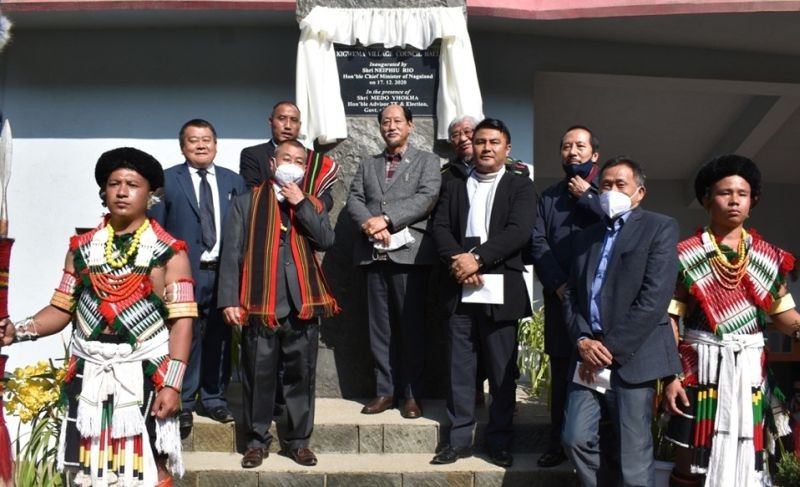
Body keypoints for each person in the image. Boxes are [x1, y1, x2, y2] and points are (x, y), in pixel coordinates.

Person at [0, 147, 195, 486]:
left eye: (132, 184)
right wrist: (19, 330)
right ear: (103, 193)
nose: (122, 191)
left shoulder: (170, 253)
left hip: (146, 370)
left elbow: (182, 322)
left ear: (150, 194)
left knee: (151, 466)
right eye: (113, 183)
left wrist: (173, 385)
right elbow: (61, 309)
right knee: (86, 469)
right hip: (89, 371)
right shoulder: (81, 249)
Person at [662, 154, 800, 487]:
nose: (734, 199)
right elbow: (668, 319)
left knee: (750, 457)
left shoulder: (768, 257)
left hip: (749, 372)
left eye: (743, 193)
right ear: (707, 199)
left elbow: (784, 317)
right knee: (690, 459)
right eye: (725, 192)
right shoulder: (684, 255)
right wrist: (670, 376)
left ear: (753, 202)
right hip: (698, 369)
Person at [218, 139, 339, 469]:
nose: (292, 164)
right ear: (272, 164)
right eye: (286, 158)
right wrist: (229, 299)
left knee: (301, 375)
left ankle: (298, 441)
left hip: (302, 301)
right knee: (258, 374)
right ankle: (256, 441)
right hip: (261, 302)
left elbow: (325, 240)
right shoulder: (246, 202)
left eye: (299, 161)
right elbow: (231, 253)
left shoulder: (312, 203)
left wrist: (301, 205)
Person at [561, 156, 681, 486]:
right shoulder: (586, 237)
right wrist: (584, 341)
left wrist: (608, 349)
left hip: (632, 355)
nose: (610, 191)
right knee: (575, 438)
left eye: (620, 185)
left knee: (634, 449)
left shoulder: (660, 227)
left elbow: (654, 299)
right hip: (588, 356)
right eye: (605, 185)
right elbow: (571, 295)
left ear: (639, 192)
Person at [430, 118, 537, 467]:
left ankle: (499, 441)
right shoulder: (454, 185)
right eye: (480, 142)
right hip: (458, 284)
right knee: (460, 367)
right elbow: (440, 228)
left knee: (501, 368)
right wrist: (460, 262)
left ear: (507, 148)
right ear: (470, 147)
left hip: (499, 284)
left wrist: (477, 259)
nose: (486, 148)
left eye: (494, 142)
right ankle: (458, 439)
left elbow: (519, 231)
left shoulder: (520, 186)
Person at [149, 119, 245, 438]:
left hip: (223, 273)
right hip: (184, 275)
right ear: (183, 147)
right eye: (193, 140)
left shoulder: (234, 181)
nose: (201, 145)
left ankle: (214, 398)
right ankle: (186, 400)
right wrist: (160, 278)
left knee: (219, 335)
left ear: (216, 145)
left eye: (206, 140)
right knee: (185, 335)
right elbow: (158, 232)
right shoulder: (167, 180)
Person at [346, 103, 441, 419]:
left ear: (410, 126)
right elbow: (355, 199)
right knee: (379, 328)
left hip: (409, 257)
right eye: (385, 121)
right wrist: (368, 223)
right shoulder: (368, 163)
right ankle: (384, 391)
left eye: (397, 121)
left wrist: (386, 219)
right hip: (374, 255)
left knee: (411, 327)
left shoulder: (427, 162)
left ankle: (411, 394)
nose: (391, 126)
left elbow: (426, 198)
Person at [529, 125, 604, 467]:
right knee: (561, 371)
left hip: (602, 302)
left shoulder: (609, 191)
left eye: (580, 146)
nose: (572, 151)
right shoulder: (548, 197)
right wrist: (558, 284)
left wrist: (589, 196)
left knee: (604, 372)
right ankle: (558, 442)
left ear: (594, 154)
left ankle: (602, 443)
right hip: (561, 298)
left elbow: (619, 227)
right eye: (566, 146)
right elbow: (538, 242)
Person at [239, 100, 334, 211]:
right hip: (266, 218)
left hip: (304, 220)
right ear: (271, 121)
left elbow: (327, 199)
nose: (288, 126)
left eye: (294, 120)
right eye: (282, 119)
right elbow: (249, 191)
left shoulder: (314, 159)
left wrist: (303, 202)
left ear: (299, 125)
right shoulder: (253, 154)